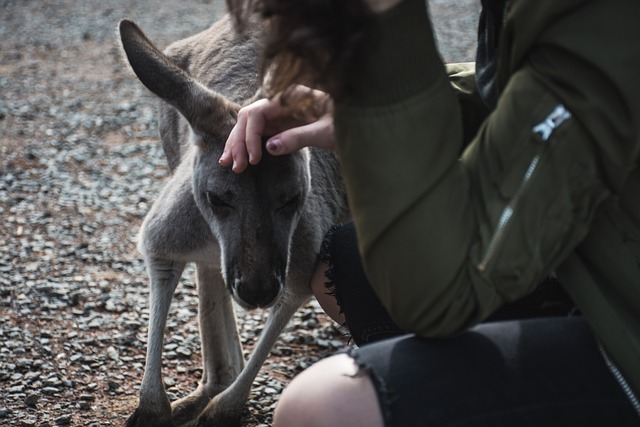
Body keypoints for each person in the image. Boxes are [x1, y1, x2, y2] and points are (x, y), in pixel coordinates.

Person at [221, 0, 640, 425]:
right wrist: (348, 110)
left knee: (324, 408)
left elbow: (440, 295)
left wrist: (386, 43)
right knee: (342, 269)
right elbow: (536, 82)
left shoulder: (600, 17)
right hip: (603, 256)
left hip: (625, 324)